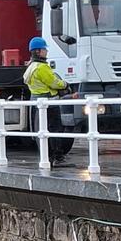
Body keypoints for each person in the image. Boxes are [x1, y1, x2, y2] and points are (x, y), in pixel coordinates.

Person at [22, 36, 71, 165]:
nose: (46, 52)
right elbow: (54, 82)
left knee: (42, 131)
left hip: (36, 103)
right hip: (49, 103)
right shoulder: (42, 67)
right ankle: (58, 158)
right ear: (38, 51)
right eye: (44, 49)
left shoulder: (30, 67)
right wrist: (65, 84)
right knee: (55, 130)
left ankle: (46, 157)